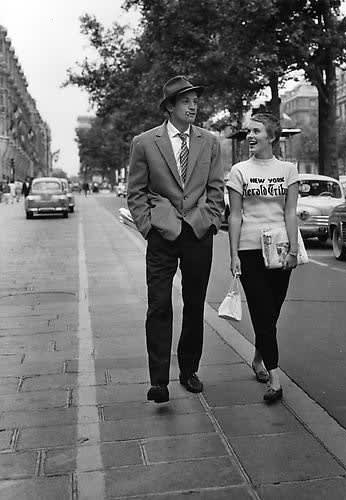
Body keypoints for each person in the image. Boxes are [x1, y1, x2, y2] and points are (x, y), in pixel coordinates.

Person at [128, 75, 224, 404]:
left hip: (197, 233)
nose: (194, 105)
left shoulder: (210, 142)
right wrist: (148, 226)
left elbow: (215, 188)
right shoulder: (144, 143)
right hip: (162, 234)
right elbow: (136, 193)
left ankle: (189, 371)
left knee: (195, 305)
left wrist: (209, 220)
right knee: (158, 305)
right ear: (170, 107)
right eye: (186, 101)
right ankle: (159, 382)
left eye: (196, 100)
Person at [227, 113, 299, 404]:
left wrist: (294, 250)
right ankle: (275, 378)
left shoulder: (288, 170)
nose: (250, 136)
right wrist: (233, 254)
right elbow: (234, 215)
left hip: (280, 249)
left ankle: (258, 359)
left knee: (271, 313)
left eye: (256, 131)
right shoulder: (239, 171)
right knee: (261, 311)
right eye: (248, 131)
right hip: (249, 249)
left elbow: (290, 212)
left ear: (272, 136)